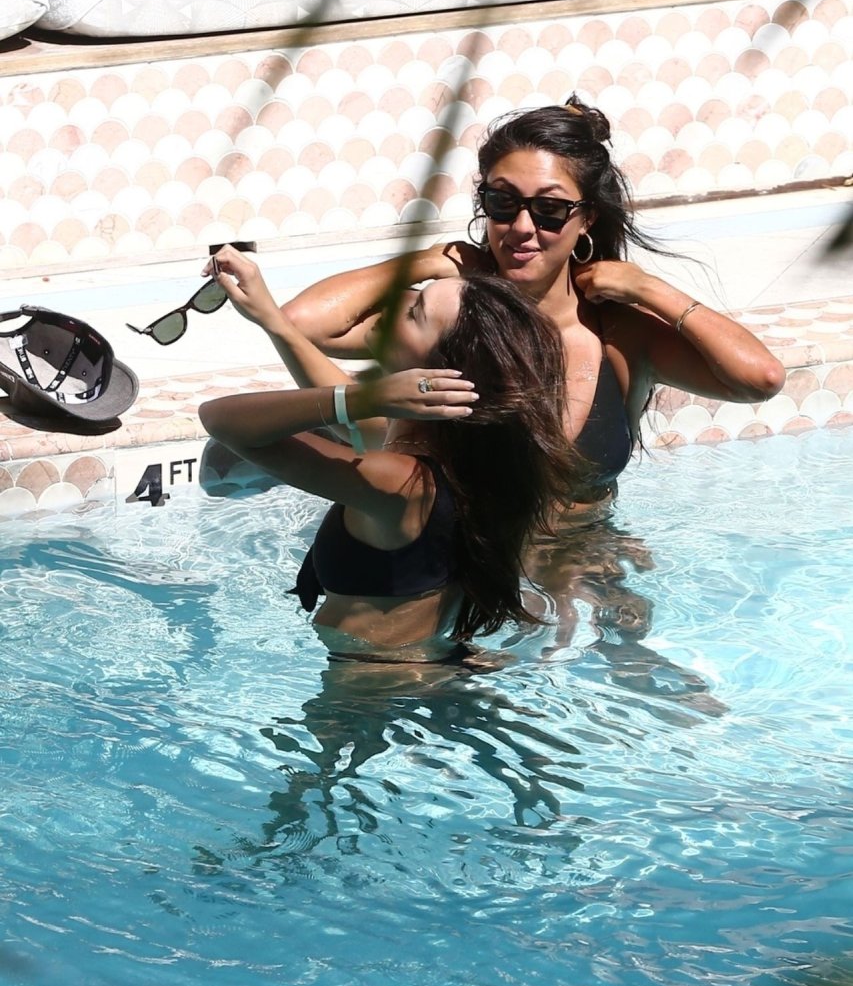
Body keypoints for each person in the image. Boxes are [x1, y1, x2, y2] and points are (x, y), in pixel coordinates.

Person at [280, 94, 786, 509]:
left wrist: (650, 289)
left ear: (587, 218)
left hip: (585, 558)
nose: (522, 227)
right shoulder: (449, 317)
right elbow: (304, 322)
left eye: (550, 209)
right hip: (476, 570)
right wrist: (432, 259)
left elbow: (759, 379)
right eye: (503, 202)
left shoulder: (619, 335)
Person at [198, 246, 579, 663]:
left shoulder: (401, 482)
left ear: (438, 371)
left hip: (374, 692)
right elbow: (347, 413)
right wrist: (272, 319)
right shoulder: (452, 459)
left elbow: (221, 421)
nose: (396, 303)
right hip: (426, 671)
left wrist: (365, 397)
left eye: (415, 312)